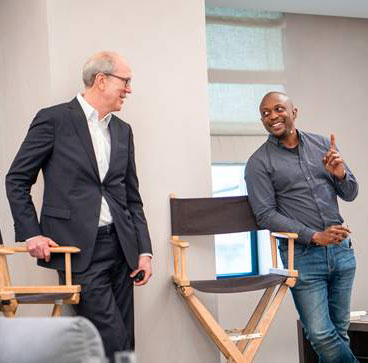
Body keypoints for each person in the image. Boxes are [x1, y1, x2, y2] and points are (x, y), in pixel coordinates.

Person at [6, 51, 152, 359]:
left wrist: (144, 251)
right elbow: (17, 179)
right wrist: (32, 234)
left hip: (122, 249)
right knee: (112, 339)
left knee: (125, 342)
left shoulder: (123, 130)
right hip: (79, 252)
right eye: (125, 81)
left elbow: (132, 197)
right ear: (101, 80)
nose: (129, 89)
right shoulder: (54, 119)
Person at [245, 92, 358, 363]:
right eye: (265, 113)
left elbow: (351, 193)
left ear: (294, 111)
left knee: (339, 333)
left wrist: (341, 174)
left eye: (278, 109)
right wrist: (315, 236)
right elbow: (265, 215)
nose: (272, 116)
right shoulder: (258, 163)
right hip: (303, 258)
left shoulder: (322, 145)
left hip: (342, 252)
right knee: (320, 334)